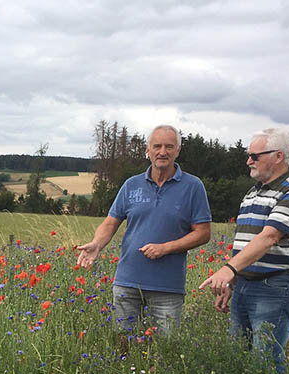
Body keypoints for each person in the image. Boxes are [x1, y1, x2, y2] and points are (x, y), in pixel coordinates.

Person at [199, 128, 289, 374]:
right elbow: (244, 243)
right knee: (238, 355)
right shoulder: (253, 193)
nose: (248, 160)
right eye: (248, 155)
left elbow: (269, 237)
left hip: (276, 285)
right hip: (245, 284)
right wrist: (232, 280)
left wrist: (228, 269)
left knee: (266, 359)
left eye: (254, 155)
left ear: (278, 156)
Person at [76, 125, 211, 333]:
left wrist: (165, 248)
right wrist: (96, 244)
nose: (162, 152)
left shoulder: (193, 186)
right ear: (147, 150)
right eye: (157, 146)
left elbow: (203, 233)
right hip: (127, 282)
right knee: (123, 345)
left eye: (169, 146)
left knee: (166, 350)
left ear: (178, 151)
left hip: (167, 288)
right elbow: (111, 223)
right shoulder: (132, 185)